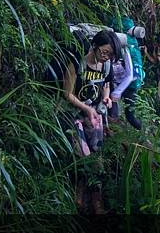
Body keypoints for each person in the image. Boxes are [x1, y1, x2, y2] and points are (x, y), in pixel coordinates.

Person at [63, 29, 122, 214]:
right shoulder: (77, 63)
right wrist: (87, 108)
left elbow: (106, 85)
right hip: (75, 115)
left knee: (97, 155)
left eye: (110, 55)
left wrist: (106, 98)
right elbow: (67, 94)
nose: (106, 57)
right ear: (94, 46)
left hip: (95, 115)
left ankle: (97, 199)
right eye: (104, 52)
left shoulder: (105, 66)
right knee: (82, 154)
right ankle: (79, 194)